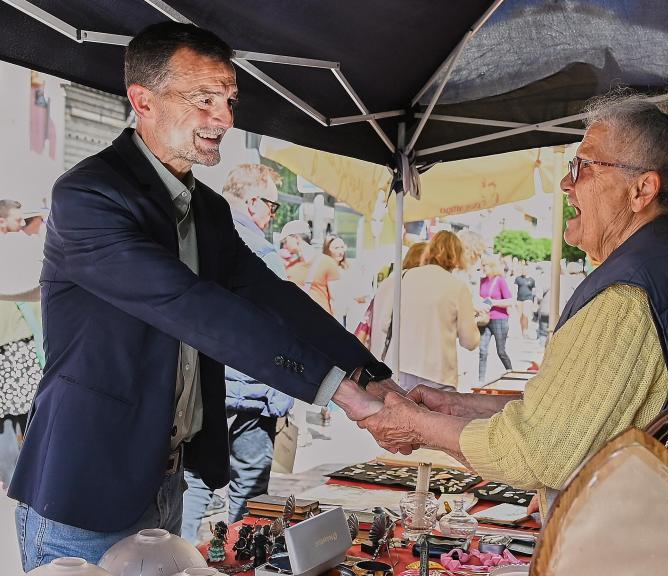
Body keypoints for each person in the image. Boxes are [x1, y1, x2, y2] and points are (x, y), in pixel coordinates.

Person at [10, 22, 391, 570]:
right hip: (85, 484)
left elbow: (272, 296)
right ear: (142, 100)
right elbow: (193, 306)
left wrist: (371, 375)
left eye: (230, 100)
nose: (226, 119)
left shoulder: (208, 210)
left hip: (167, 478)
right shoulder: (89, 196)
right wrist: (339, 392)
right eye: (204, 100)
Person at [358, 90, 668, 521]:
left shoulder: (628, 295)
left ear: (642, 189)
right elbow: (575, 411)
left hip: (655, 540)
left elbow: (539, 450)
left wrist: (418, 426)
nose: (567, 183)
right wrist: (456, 407)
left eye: (582, 167)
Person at [180, 163, 295, 544]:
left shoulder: (194, 238)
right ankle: (237, 558)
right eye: (272, 206)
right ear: (251, 202)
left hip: (206, 383)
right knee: (247, 487)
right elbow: (279, 326)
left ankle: (177, 558)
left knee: (196, 479)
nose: (273, 214)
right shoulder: (257, 250)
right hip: (251, 386)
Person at [374, 231, 480, 392]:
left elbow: (384, 324)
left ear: (429, 251)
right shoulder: (457, 287)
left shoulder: (403, 277)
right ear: (457, 256)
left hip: (400, 369)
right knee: (436, 417)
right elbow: (469, 341)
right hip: (439, 374)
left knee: (402, 416)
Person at [0, 206, 44, 493]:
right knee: (21, 418)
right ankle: (19, 477)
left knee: (8, 421)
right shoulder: (25, 292)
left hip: (11, 354)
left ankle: (10, 476)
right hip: (19, 354)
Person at [365, 242, 428, 356]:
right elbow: (387, 322)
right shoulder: (407, 281)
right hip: (392, 352)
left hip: (379, 348)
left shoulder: (394, 277)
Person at [281, 220, 341, 316]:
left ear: (296, 238)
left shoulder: (327, 263)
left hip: (321, 324)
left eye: (285, 241)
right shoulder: (290, 267)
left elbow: (336, 301)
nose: (284, 246)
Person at [477, 255, 515, 383]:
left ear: (492, 266)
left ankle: (511, 372)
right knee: (482, 351)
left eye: (484, 265)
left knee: (501, 351)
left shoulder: (500, 280)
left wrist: (493, 302)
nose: (482, 268)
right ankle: (480, 381)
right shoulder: (482, 281)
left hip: (500, 319)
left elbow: (510, 301)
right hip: (485, 319)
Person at [513, 268, 536, 338]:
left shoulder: (531, 280)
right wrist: (514, 300)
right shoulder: (518, 279)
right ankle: (522, 331)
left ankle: (526, 330)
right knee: (520, 316)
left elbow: (534, 291)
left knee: (525, 315)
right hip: (519, 299)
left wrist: (535, 302)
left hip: (528, 299)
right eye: (522, 270)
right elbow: (515, 289)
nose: (523, 271)